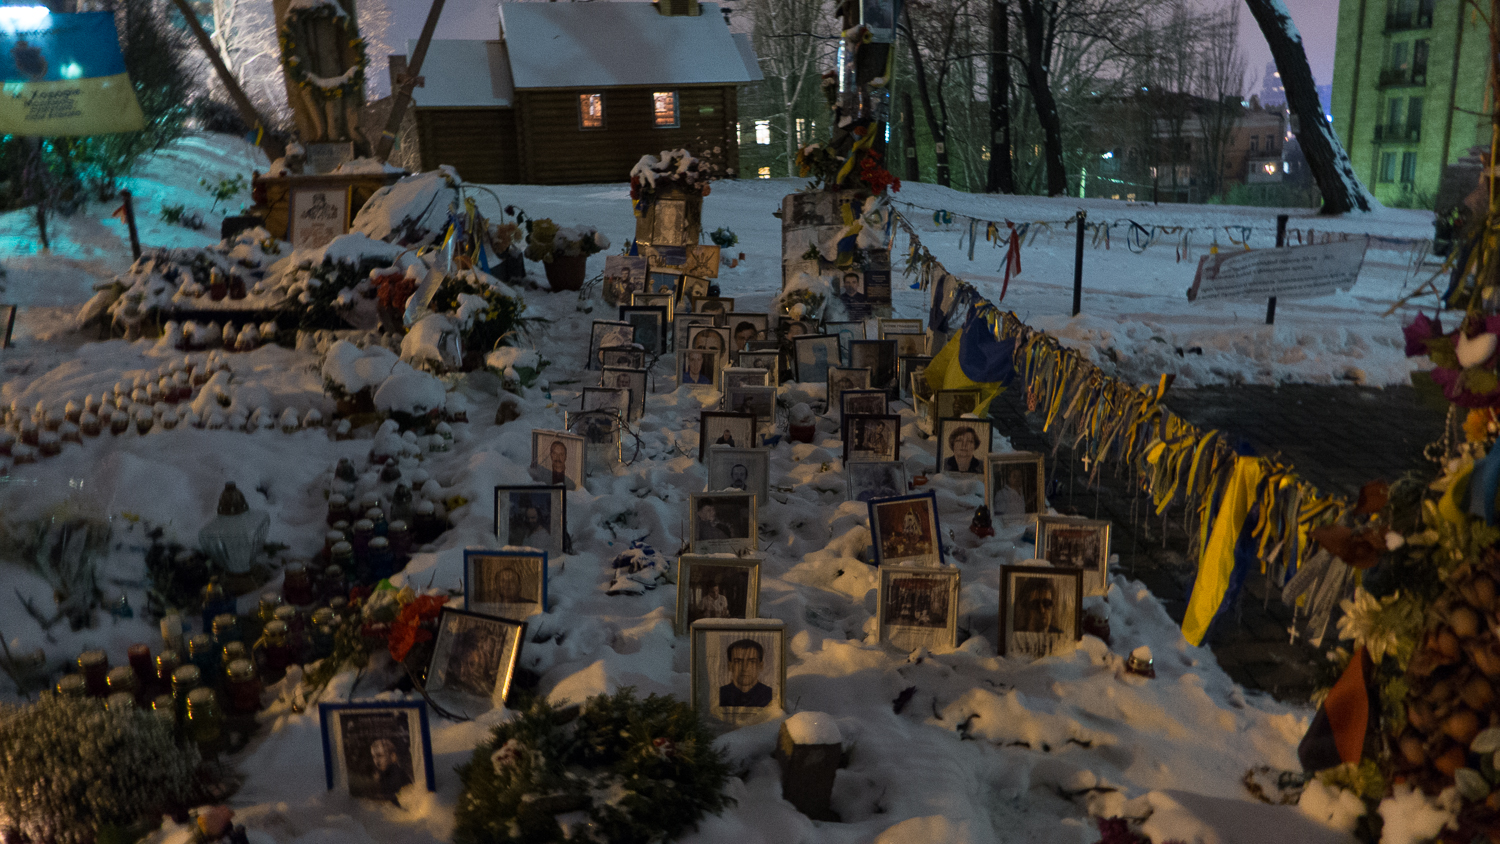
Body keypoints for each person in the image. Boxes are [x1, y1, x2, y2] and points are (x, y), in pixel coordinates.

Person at [445, 625, 506, 699]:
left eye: (472, 664)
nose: (463, 669)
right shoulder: (449, 669)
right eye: (463, 662)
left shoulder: (482, 690)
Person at [718, 639, 773, 707]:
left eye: (752, 662)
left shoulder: (772, 696)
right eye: (738, 661)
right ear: (730, 666)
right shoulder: (718, 696)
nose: (745, 668)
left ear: (760, 666)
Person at [365, 737, 411, 803]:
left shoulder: (397, 775)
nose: (377, 761)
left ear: (393, 756)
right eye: (374, 757)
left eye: (380, 756)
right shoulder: (382, 774)